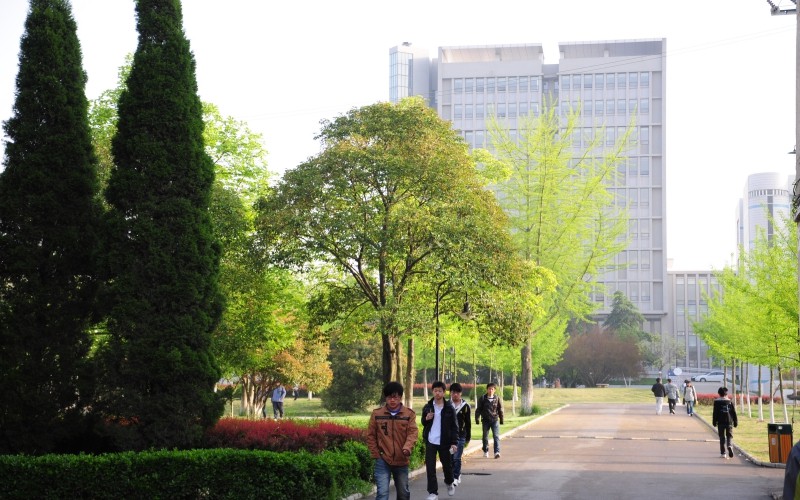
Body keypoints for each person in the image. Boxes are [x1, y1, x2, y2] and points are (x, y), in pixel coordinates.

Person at [366, 381, 418, 500]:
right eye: (389, 397)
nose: (392, 400)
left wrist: (407, 447)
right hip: (383, 459)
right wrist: (376, 454)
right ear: (386, 398)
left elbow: (413, 433)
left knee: (403, 494)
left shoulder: (409, 414)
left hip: (401, 459)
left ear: (400, 397)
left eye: (395, 397)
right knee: (382, 494)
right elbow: (371, 435)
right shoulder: (377, 414)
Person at [422, 380, 458, 499]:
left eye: (440, 391)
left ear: (444, 392)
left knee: (447, 467)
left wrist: (454, 443)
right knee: (430, 468)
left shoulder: (449, 408)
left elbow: (454, 427)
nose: (437, 393)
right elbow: (423, 422)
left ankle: (449, 482)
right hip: (431, 441)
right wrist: (427, 418)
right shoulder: (427, 407)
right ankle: (433, 493)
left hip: (445, 442)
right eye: (435, 391)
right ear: (432, 391)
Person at [449, 382, 471, 488]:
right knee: (451, 458)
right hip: (449, 437)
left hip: (461, 436)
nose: (455, 395)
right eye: (453, 393)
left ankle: (456, 477)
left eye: (457, 393)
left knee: (457, 458)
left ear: (461, 393)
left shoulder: (465, 406)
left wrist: (468, 436)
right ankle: (456, 473)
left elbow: (468, 423)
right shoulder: (447, 405)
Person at [476, 382, 504, 459]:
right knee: (485, 436)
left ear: (494, 390)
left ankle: (496, 452)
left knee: (496, 436)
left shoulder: (497, 398)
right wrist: (477, 418)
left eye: (492, 389)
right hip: (485, 420)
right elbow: (478, 409)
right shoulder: (482, 398)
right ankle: (485, 450)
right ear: (487, 389)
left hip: (495, 420)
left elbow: (500, 409)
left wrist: (501, 419)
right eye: (489, 389)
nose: (490, 390)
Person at [712, 386, 738, 459]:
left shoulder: (716, 402)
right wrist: (735, 421)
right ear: (726, 394)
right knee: (729, 436)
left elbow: (715, 413)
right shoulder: (729, 401)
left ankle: (723, 453)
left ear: (719, 394)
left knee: (722, 437)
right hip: (729, 422)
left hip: (720, 422)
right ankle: (729, 446)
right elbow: (733, 412)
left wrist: (714, 421)